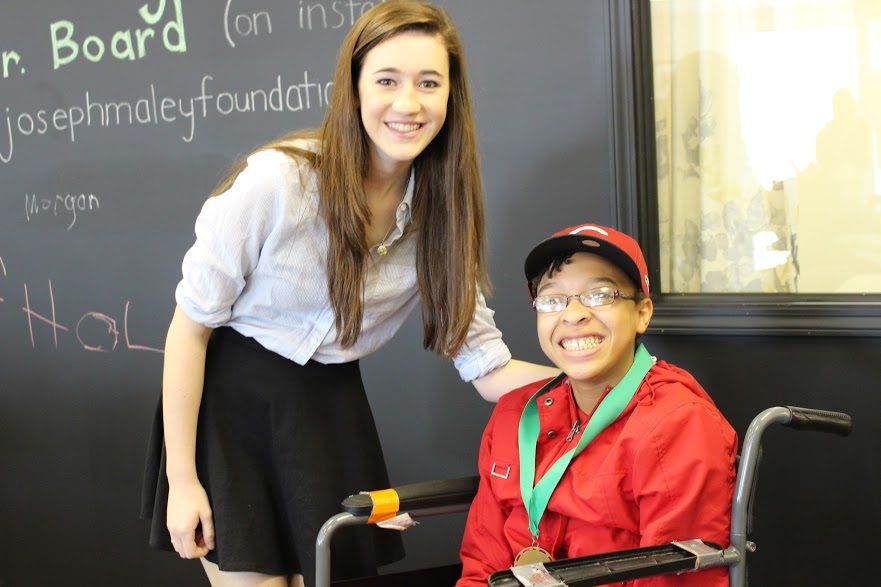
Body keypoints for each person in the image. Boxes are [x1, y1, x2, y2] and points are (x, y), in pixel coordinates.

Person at [140, 2, 559, 586]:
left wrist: (606, 382)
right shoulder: (277, 182)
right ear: (354, 89)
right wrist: (183, 482)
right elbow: (190, 329)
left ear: (450, 97)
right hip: (229, 409)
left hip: (330, 411)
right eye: (387, 81)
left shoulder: (442, 214)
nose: (408, 104)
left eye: (428, 83)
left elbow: (487, 368)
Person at [457, 223, 737, 586]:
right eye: (553, 300)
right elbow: (482, 563)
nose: (572, 315)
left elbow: (673, 580)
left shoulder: (678, 425)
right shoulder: (514, 414)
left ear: (642, 313)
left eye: (600, 295)